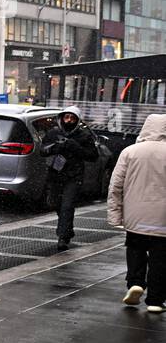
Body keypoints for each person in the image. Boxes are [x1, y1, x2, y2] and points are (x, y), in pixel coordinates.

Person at [107, 114, 166, 314]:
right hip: (163, 217)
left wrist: (116, 215)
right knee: (160, 258)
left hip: (135, 215)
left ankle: (135, 282)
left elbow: (116, 186)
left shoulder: (130, 152)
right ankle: (156, 301)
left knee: (135, 248)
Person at [39, 106, 98, 249]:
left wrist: (74, 147)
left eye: (72, 118)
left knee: (67, 205)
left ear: (77, 120)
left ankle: (63, 237)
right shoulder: (54, 132)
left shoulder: (84, 135)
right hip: (55, 175)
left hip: (74, 176)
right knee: (56, 204)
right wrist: (54, 148)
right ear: (62, 118)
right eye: (67, 117)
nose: (69, 120)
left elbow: (93, 156)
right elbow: (43, 150)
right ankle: (67, 229)